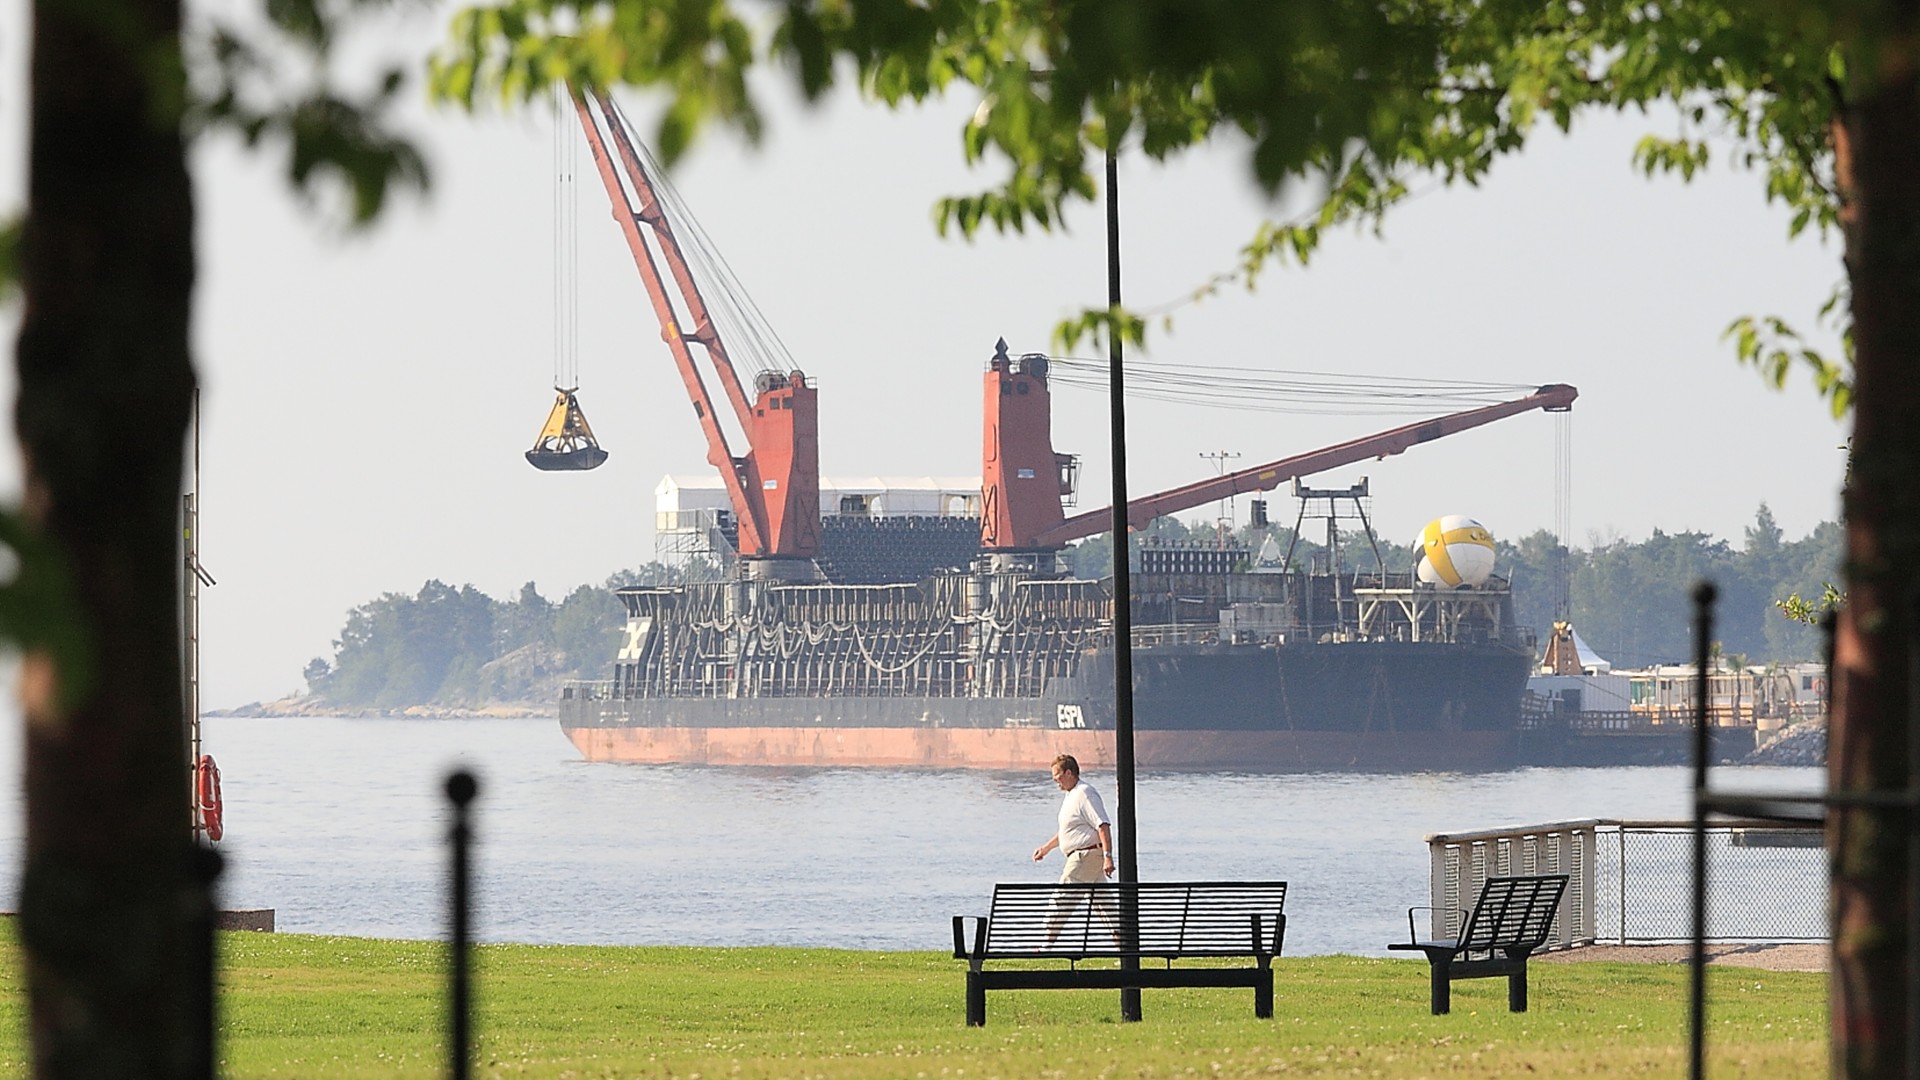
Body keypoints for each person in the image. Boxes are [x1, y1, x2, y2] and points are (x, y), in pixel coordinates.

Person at [1031, 754, 1115, 882]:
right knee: (1101, 901)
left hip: (1085, 856)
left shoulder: (1085, 792)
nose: (1055, 780)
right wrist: (1045, 849)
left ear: (1069, 773)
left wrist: (1108, 856)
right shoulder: (1071, 795)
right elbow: (1068, 831)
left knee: (1060, 900)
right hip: (1087, 856)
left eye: (1057, 776)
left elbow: (1102, 825)